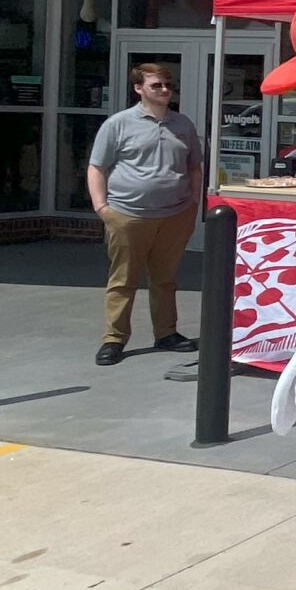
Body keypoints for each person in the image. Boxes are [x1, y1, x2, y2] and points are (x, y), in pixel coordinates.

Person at [87, 61, 204, 366]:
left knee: (165, 279)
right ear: (139, 88)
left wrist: (194, 203)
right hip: (128, 214)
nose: (165, 90)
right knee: (123, 280)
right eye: (157, 85)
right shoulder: (118, 124)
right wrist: (102, 207)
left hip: (175, 215)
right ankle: (114, 339)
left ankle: (166, 333)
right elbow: (97, 167)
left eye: (168, 85)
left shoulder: (183, 124)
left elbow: (194, 166)